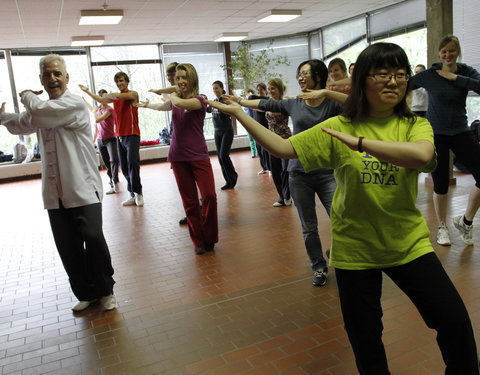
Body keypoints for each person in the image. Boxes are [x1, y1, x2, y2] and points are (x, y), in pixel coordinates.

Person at [209, 42, 479, 375]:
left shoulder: (414, 125)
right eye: (382, 74)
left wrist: (361, 144)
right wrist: (239, 114)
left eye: (400, 74)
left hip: (407, 244)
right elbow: (282, 147)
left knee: (455, 323)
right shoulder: (338, 127)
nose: (393, 81)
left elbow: (423, 156)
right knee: (366, 341)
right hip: (355, 250)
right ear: (363, 80)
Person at [0, 54, 116, 312]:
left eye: (56, 74)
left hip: (82, 186)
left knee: (93, 237)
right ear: (41, 78)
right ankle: (86, 292)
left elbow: (38, 111)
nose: (52, 79)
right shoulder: (43, 113)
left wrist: (26, 94)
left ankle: (105, 289)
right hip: (55, 192)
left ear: (66, 77)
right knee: (68, 246)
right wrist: (2, 116)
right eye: (46, 74)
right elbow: (23, 123)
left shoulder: (73, 104)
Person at [224, 59, 347, 287]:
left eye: (305, 74)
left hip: (327, 172)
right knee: (309, 227)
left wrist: (328, 93)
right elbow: (268, 104)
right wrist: (240, 101)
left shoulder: (332, 105)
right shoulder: (294, 104)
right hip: (299, 172)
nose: (300, 78)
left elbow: (356, 102)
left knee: (342, 220)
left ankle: (338, 254)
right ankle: (318, 266)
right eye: (299, 74)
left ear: (318, 77)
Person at [139, 63, 218, 255]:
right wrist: (148, 104)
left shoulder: (201, 99)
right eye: (178, 78)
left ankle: (209, 236)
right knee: (189, 201)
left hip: (198, 155)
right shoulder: (174, 100)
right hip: (178, 156)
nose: (181, 81)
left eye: (184, 77)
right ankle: (198, 240)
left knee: (209, 196)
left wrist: (170, 91)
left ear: (192, 79)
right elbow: (163, 106)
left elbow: (180, 103)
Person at [411, 35, 480, 246]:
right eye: (444, 51)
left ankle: (466, 221)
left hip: (461, 131)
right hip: (437, 133)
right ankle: (442, 227)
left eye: (451, 51)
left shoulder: (466, 72)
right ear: (439, 53)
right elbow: (405, 86)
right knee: (440, 184)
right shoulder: (430, 75)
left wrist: (456, 79)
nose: (448, 55)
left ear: (457, 52)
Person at [80, 72, 144, 207]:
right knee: (124, 168)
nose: (120, 83)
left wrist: (109, 95)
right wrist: (88, 92)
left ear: (127, 82)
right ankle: (132, 194)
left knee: (133, 163)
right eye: (117, 82)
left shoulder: (133, 94)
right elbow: (100, 99)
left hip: (132, 135)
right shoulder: (115, 99)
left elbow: (122, 96)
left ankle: (138, 193)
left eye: (121, 81)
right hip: (119, 136)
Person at [265, 78, 292, 207]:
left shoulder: (284, 101)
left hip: (284, 139)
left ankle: (287, 195)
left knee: (285, 169)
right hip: (271, 140)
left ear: (279, 89)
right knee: (275, 170)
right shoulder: (268, 101)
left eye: (273, 88)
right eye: (269, 89)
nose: (270, 91)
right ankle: (282, 196)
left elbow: (275, 112)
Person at [207, 81, 238, 190]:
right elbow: (208, 110)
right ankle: (228, 181)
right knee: (220, 158)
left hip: (227, 131)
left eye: (217, 88)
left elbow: (231, 112)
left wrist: (220, 106)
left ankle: (233, 177)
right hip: (217, 131)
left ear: (221, 88)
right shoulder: (215, 101)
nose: (215, 91)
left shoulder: (226, 99)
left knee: (224, 155)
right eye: (213, 89)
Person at [90, 89, 120, 194]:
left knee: (114, 160)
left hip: (110, 139)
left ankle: (115, 182)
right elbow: (90, 108)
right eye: (100, 97)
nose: (102, 99)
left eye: (104, 97)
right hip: (100, 140)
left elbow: (97, 119)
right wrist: (83, 99)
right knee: (107, 163)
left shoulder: (109, 109)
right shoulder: (98, 110)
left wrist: (93, 112)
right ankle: (112, 181)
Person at [249, 83, 270, 174]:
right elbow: (250, 98)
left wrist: (256, 107)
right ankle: (264, 167)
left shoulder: (267, 100)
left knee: (265, 149)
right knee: (258, 148)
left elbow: (264, 105)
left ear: (265, 90)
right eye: (258, 89)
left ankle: (269, 168)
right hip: (257, 127)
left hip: (265, 127)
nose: (259, 91)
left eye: (261, 89)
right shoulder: (256, 99)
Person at [244, 88, 258, 158]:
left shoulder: (254, 102)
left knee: (257, 139)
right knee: (251, 139)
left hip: (255, 123)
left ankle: (258, 152)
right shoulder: (245, 104)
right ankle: (253, 152)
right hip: (247, 123)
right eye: (247, 94)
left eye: (250, 94)